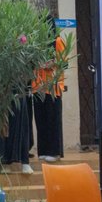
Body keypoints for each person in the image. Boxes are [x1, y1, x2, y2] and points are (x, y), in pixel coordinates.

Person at [32, 34, 66, 162]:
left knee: (53, 120)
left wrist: (50, 64)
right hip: (38, 87)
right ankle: (43, 150)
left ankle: (54, 151)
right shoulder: (36, 40)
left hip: (52, 87)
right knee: (40, 120)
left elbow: (63, 62)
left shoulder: (57, 41)